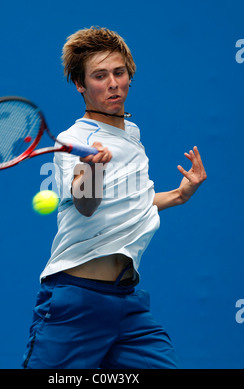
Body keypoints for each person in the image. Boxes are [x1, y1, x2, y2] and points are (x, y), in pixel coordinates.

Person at [22, 26, 207, 369]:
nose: (112, 84)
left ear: (130, 75)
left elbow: (129, 204)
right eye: (99, 76)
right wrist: (91, 170)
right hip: (76, 301)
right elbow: (86, 206)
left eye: (119, 73)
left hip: (127, 304)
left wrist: (179, 196)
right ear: (80, 84)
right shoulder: (75, 138)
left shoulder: (132, 134)